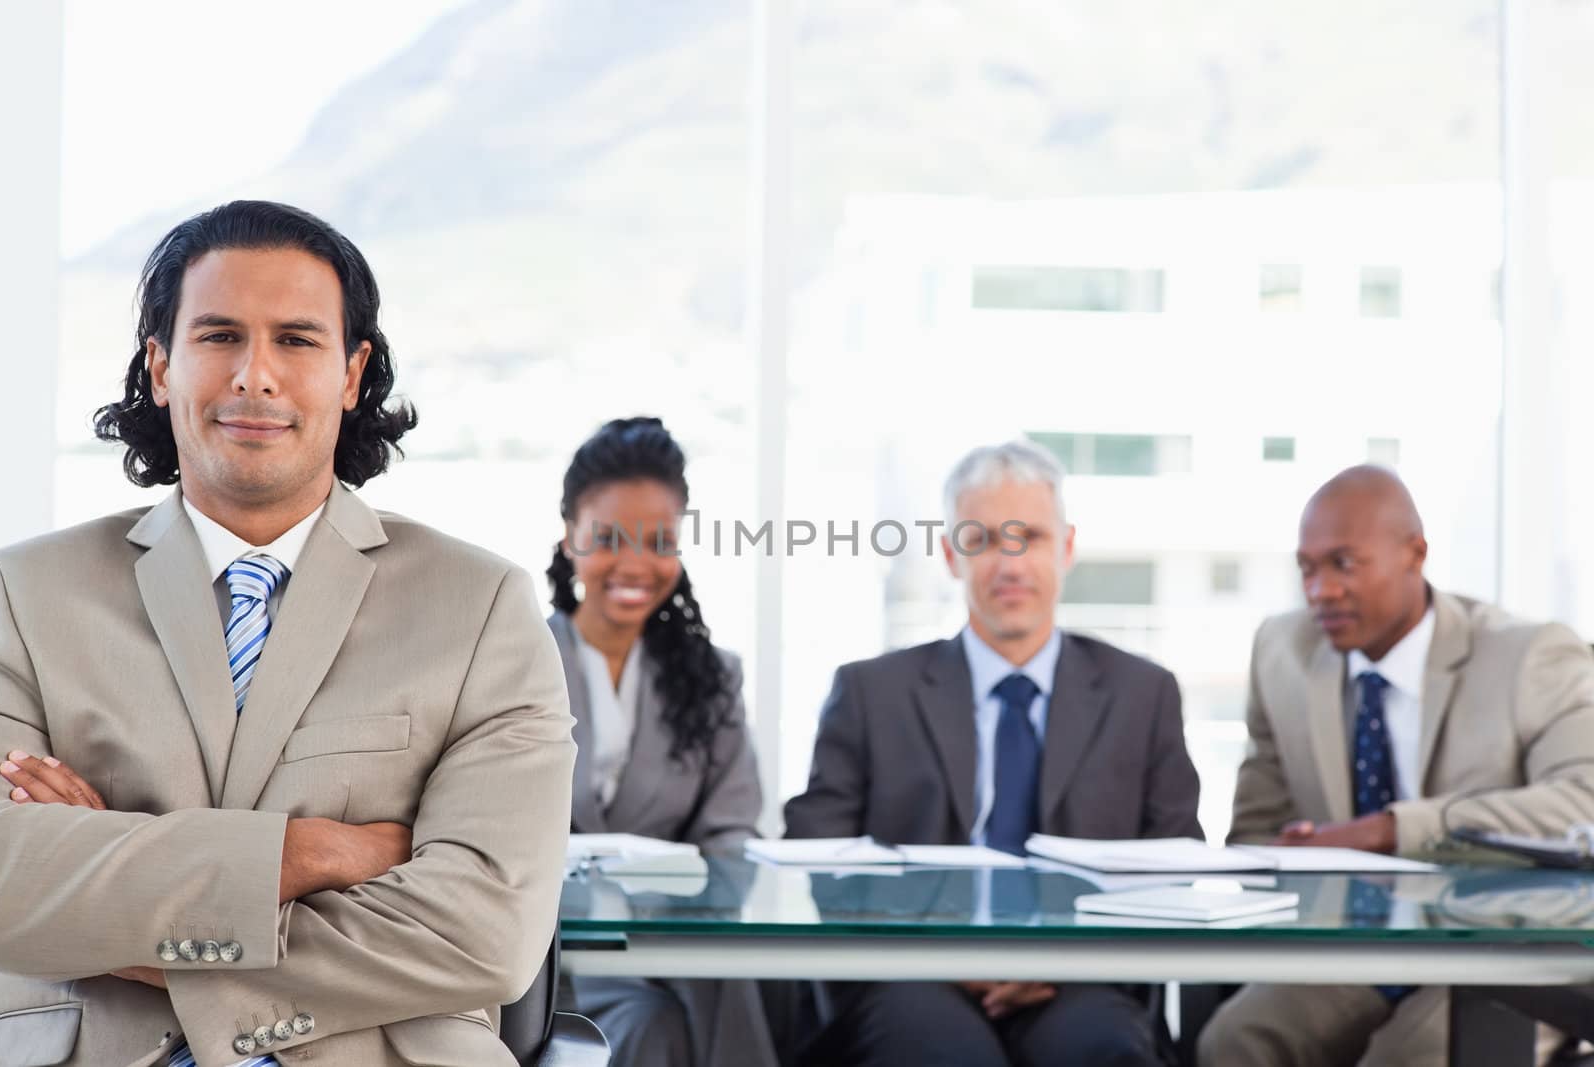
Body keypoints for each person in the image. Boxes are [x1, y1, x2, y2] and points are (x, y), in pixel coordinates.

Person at [0, 200, 573, 1067]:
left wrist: (116, 895)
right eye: (219, 335)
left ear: (351, 372)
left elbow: (483, 930)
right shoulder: (22, 593)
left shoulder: (483, 605)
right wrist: (324, 851)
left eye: (297, 340)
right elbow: (5, 886)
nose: (255, 375)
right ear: (161, 365)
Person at [784, 439, 1201, 1067]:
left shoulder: (1142, 694)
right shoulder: (872, 692)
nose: (1008, 563)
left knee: (1099, 1050)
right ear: (951, 556)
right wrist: (946, 960)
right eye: (981, 539)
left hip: (1083, 978)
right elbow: (818, 860)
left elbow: (1174, 866)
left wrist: (1057, 966)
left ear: (1066, 548)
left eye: (1029, 537)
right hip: (912, 978)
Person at [1199, 465, 1594, 1067]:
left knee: (1403, 1059)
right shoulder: (1283, 652)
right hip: (1352, 949)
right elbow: (1256, 831)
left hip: (1504, 954)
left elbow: (1584, 804)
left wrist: (1389, 830)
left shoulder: (1530, 656)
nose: (1319, 591)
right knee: (1235, 1041)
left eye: (1343, 563)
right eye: (1307, 567)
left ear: (1416, 554)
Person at [547, 416, 776, 1067]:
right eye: (609, 537)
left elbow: (733, 833)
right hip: (552, 957)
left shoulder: (711, 677)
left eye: (659, 540)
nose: (636, 563)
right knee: (651, 1022)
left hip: (675, 945)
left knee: (725, 986)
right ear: (570, 537)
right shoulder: (514, 661)